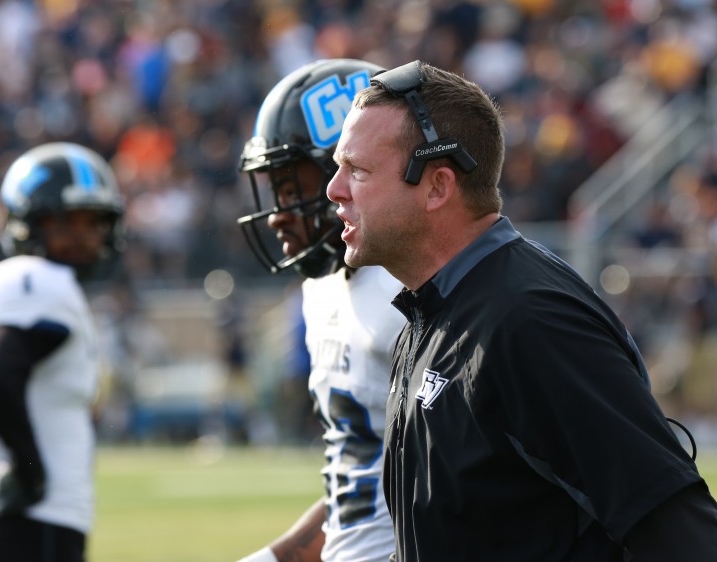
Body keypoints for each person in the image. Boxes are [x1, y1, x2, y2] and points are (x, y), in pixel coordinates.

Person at [326, 59, 717, 561]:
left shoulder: (529, 319)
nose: (334, 190)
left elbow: (678, 530)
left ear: (438, 186)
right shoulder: (433, 313)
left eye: (357, 170)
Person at [235, 58, 404, 562]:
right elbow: (357, 485)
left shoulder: (412, 288)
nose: (278, 215)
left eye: (291, 189)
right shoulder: (324, 288)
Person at [0, 142, 125, 562]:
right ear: (28, 224)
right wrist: (30, 471)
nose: (85, 237)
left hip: (26, 529)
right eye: (68, 223)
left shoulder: (13, 282)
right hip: (35, 530)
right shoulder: (38, 279)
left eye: (94, 223)